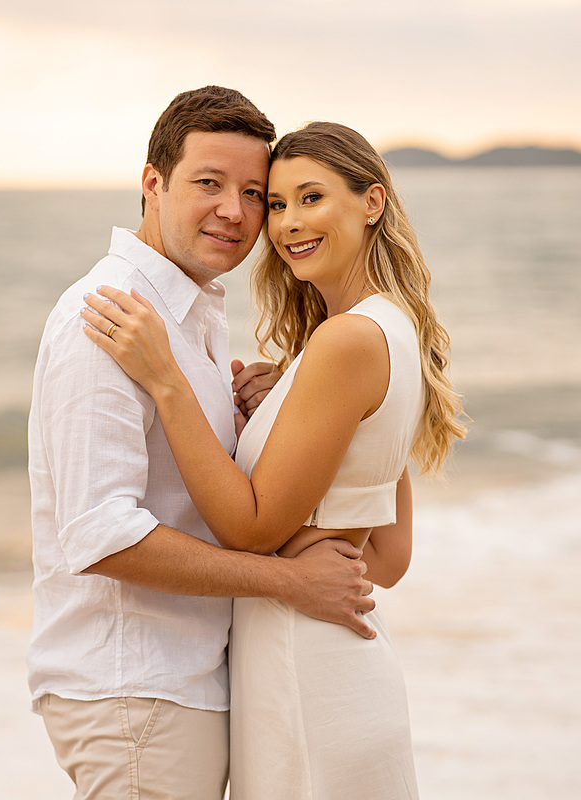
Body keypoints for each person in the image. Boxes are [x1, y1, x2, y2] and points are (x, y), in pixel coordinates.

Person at [82, 121, 466, 798]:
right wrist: (293, 417)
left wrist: (166, 379)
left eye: (311, 197)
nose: (288, 224)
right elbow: (389, 557)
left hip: (303, 671)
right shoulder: (392, 329)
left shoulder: (345, 344)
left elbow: (250, 529)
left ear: (371, 201)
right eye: (278, 203)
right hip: (345, 667)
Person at [26, 89, 382, 800]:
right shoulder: (110, 317)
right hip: (135, 687)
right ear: (152, 184)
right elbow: (102, 535)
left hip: (188, 680)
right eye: (209, 184)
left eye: (255, 192)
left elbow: (193, 489)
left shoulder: (192, 316)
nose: (236, 211)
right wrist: (291, 584)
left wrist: (260, 420)